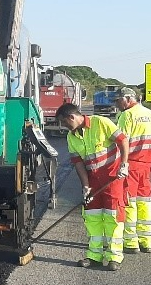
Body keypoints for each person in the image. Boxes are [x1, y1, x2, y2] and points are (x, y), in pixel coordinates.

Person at [56, 102, 131, 271]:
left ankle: (114, 257)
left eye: (64, 122)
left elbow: (123, 141)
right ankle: (94, 255)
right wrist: (86, 186)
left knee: (113, 217)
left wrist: (124, 164)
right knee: (92, 217)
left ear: (72, 117)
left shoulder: (100, 123)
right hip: (93, 180)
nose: (64, 126)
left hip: (113, 178)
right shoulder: (71, 137)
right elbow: (78, 164)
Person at [114, 86, 151, 253]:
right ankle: (146, 240)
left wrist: (122, 163)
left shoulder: (126, 116)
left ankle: (131, 242)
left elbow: (122, 142)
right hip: (146, 166)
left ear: (128, 99)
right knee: (145, 203)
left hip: (131, 165)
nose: (117, 103)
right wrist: (150, 160)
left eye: (119, 100)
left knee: (129, 203)